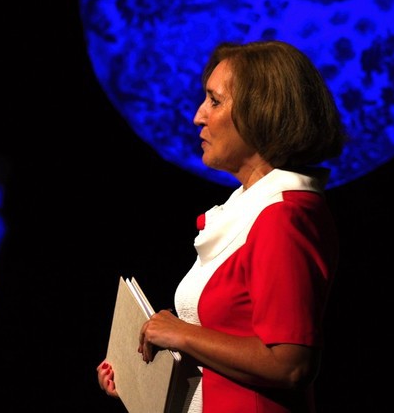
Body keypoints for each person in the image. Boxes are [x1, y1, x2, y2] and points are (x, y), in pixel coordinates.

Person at [96, 39, 347, 412]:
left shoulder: (283, 217)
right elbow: (222, 355)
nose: (198, 116)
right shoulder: (248, 208)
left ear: (261, 113)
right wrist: (144, 375)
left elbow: (291, 364)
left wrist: (182, 334)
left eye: (214, 101)